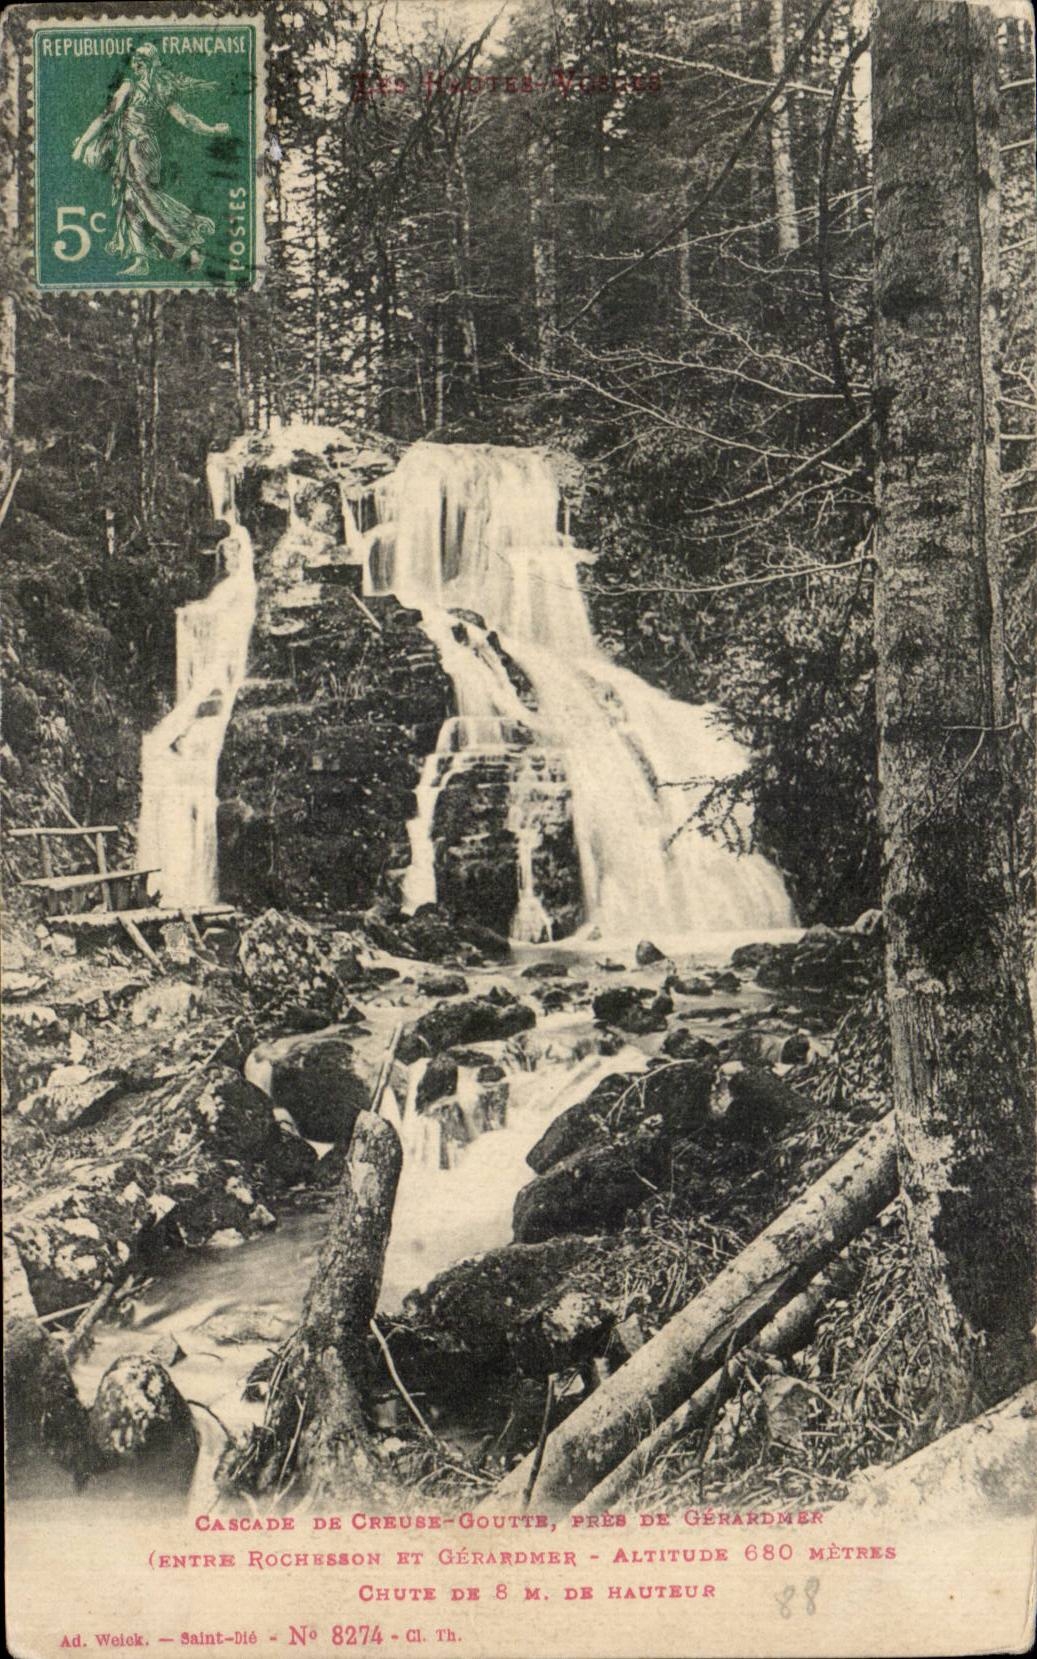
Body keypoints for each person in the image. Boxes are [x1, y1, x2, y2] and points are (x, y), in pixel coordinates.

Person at [71, 42, 230, 276]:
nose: (134, 65)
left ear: (143, 65)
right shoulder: (162, 91)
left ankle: (185, 244)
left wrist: (83, 143)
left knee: (144, 199)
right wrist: (212, 130)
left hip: (137, 147)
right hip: (146, 148)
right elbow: (186, 119)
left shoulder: (130, 86)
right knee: (131, 201)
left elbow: (106, 116)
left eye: (138, 61)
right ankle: (142, 259)